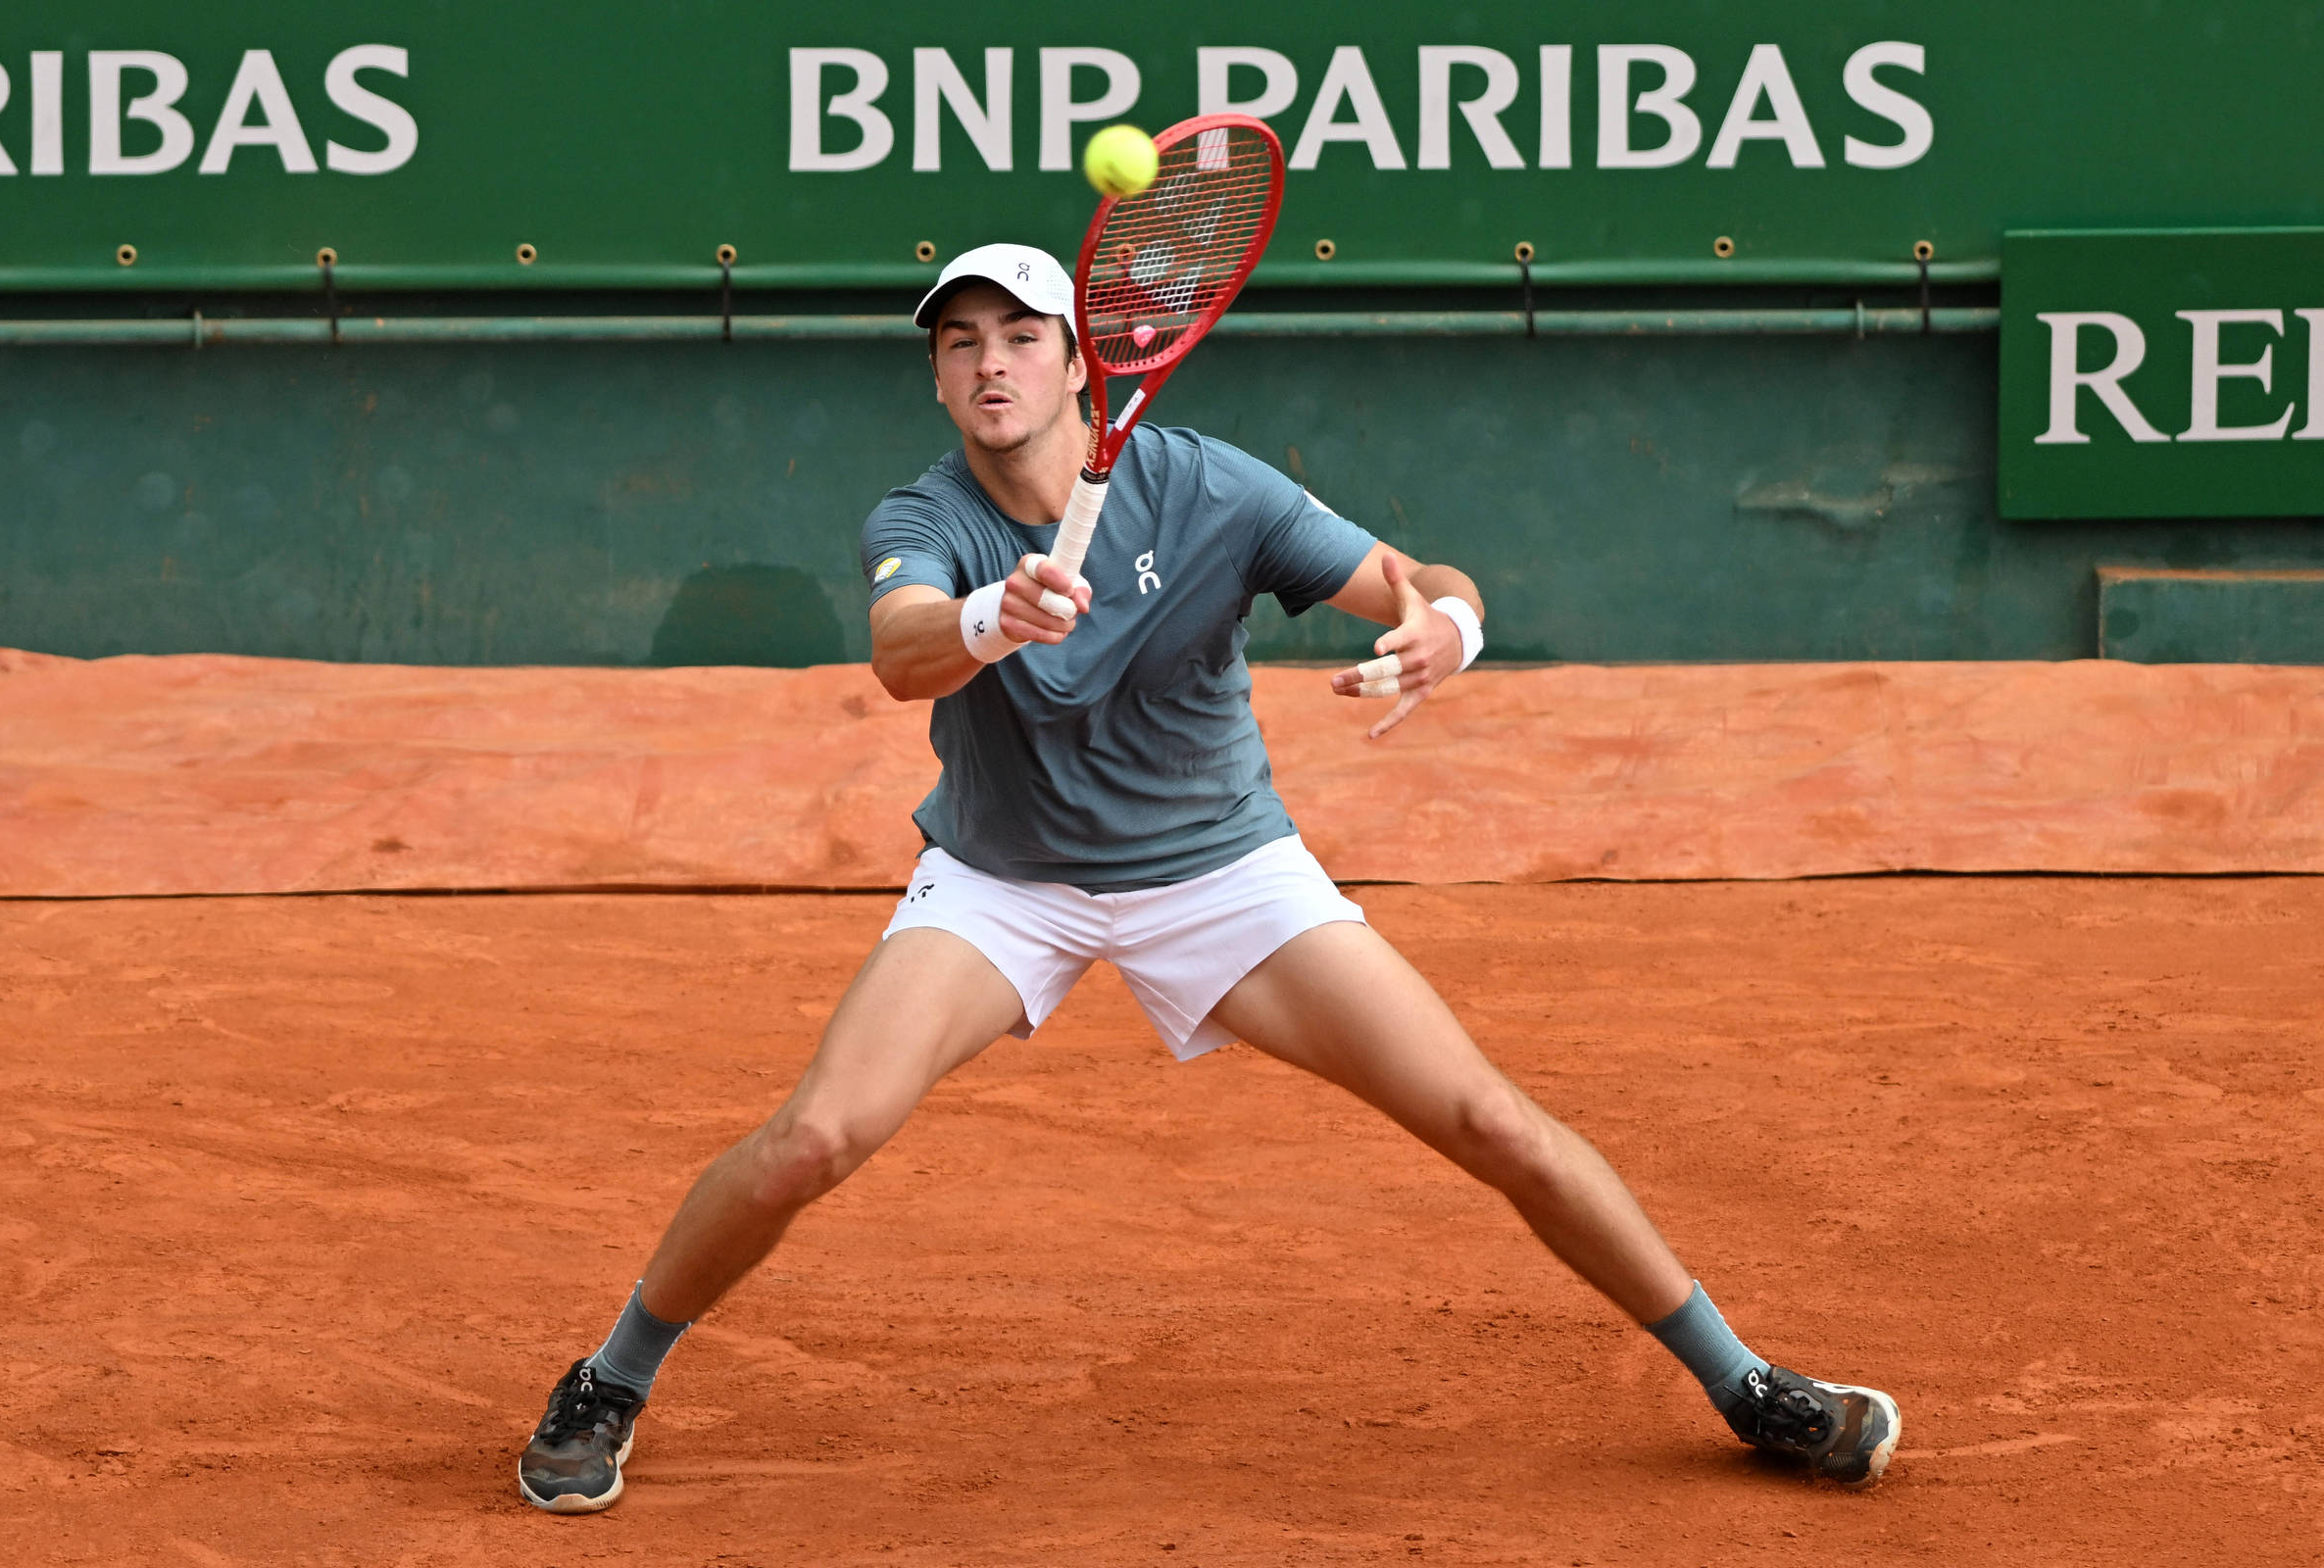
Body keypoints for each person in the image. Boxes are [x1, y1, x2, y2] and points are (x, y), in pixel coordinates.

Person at [515, 243, 1902, 1513]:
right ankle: (613, 1375)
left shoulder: (1209, 486)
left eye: (1018, 337)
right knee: (818, 1136)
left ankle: (1746, 1385)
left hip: (1223, 869)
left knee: (1493, 1121)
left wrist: (1451, 632)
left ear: (1079, 361)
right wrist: (994, 614)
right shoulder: (924, 514)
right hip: (1010, 881)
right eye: (959, 345)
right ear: (937, 377)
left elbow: (1417, 575)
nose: (989, 364)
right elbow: (901, 649)